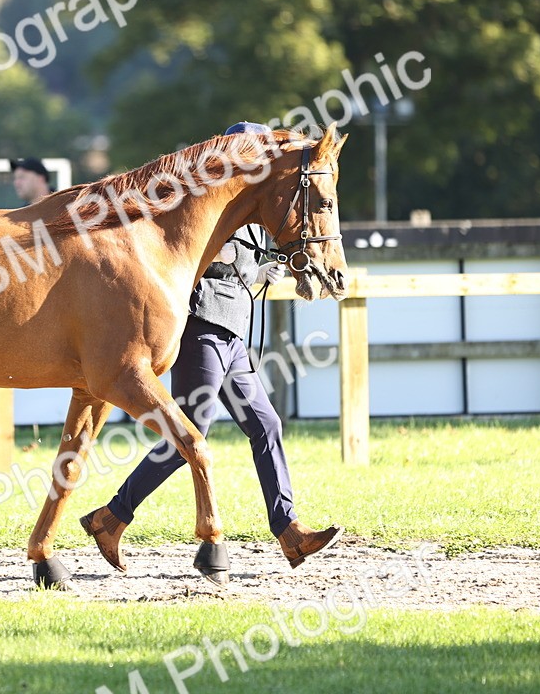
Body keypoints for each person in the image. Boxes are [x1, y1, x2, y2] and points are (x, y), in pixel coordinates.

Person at [80, 121, 343, 572]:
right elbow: (195, 258)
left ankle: (289, 531)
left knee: (266, 425)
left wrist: (268, 266)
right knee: (190, 430)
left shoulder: (257, 206)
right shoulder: (211, 203)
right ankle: (112, 517)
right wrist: (251, 267)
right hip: (203, 327)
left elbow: (253, 254)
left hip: (232, 333)